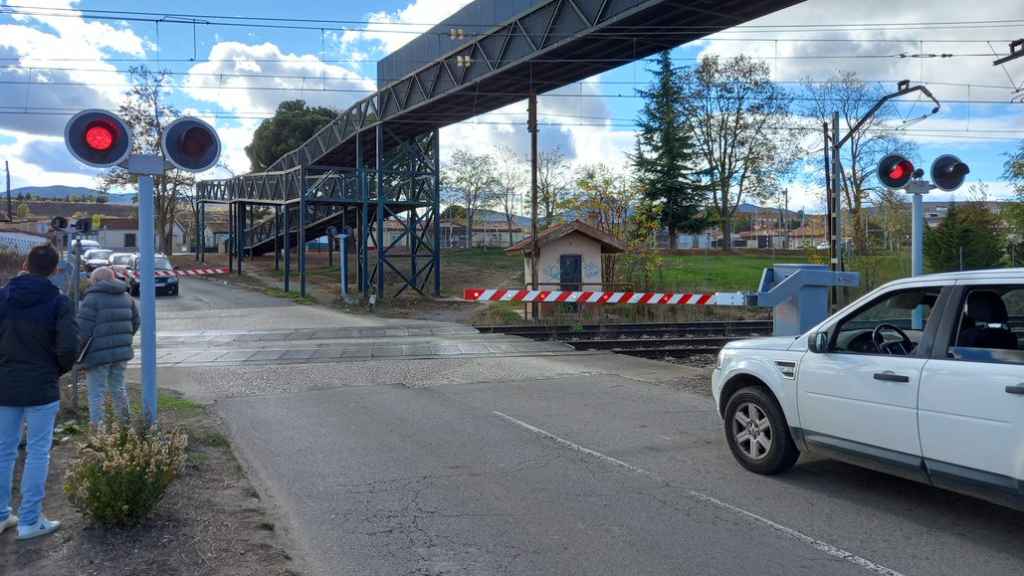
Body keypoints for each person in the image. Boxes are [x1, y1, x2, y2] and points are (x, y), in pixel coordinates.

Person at [0, 244, 78, 540]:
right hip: (42, 387)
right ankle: (30, 521)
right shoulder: (58, 302)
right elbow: (69, 347)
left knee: (3, 451)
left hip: (4, 385)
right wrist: (53, 371)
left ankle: (1, 514)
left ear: (24, 264)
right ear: (55, 270)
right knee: (37, 452)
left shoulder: (2, 297)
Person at [78, 267, 139, 426]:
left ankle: (98, 431)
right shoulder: (127, 297)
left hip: (97, 355)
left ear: (95, 281)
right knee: (118, 388)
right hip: (120, 354)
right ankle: (126, 424)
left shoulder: (92, 299)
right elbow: (136, 322)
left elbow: (83, 330)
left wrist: (77, 355)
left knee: (96, 393)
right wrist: (124, 339)